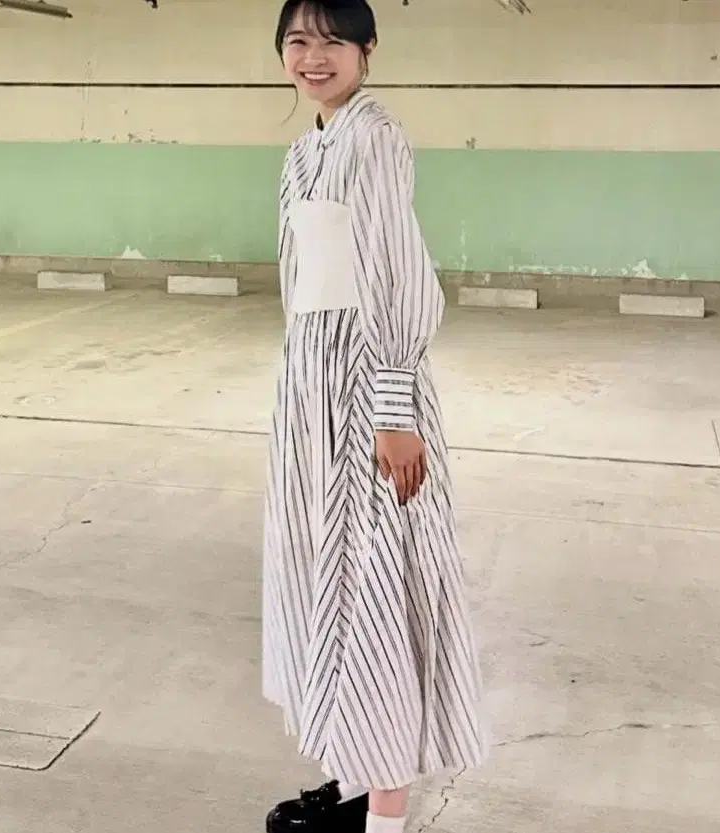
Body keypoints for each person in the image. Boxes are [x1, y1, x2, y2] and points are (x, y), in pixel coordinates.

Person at [261, 2, 489, 831]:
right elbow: (300, 283)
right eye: (297, 41)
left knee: (375, 582)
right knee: (322, 575)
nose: (312, 57)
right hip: (311, 391)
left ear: (366, 50)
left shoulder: (376, 137)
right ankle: (351, 770)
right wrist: (298, 396)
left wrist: (392, 405)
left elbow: (392, 267)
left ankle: (384, 814)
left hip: (369, 387)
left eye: (331, 41)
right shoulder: (303, 151)